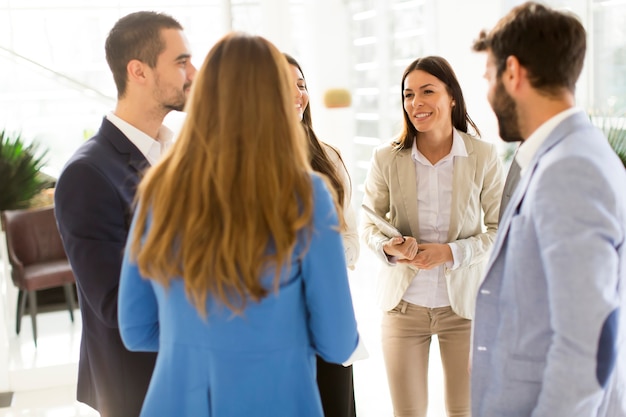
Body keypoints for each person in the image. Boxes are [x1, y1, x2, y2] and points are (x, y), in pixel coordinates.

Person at [117, 32, 361, 417]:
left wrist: (198, 341)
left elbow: (135, 330)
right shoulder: (306, 195)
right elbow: (339, 341)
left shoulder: (157, 190)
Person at [470, 2, 626, 416]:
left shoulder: (570, 169)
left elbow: (587, 341)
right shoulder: (567, 155)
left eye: (488, 77)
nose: (487, 94)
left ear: (512, 73)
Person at [54, 11, 196, 417]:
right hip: (137, 390)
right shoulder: (88, 173)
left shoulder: (175, 155)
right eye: (181, 61)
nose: (194, 72)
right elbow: (116, 305)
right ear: (139, 71)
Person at [360, 55, 503, 417]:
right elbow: (369, 224)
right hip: (403, 308)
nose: (416, 103)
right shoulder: (386, 158)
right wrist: (389, 249)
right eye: (408, 94)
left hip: (465, 310)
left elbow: (499, 229)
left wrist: (451, 252)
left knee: (464, 411)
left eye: (427, 91)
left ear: (451, 96)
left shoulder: (483, 156)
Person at [285, 53, 360, 417]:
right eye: (286, 85)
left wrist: (322, 268)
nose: (298, 93)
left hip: (326, 322)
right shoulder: (238, 169)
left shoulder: (329, 159)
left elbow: (351, 238)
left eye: (301, 85)